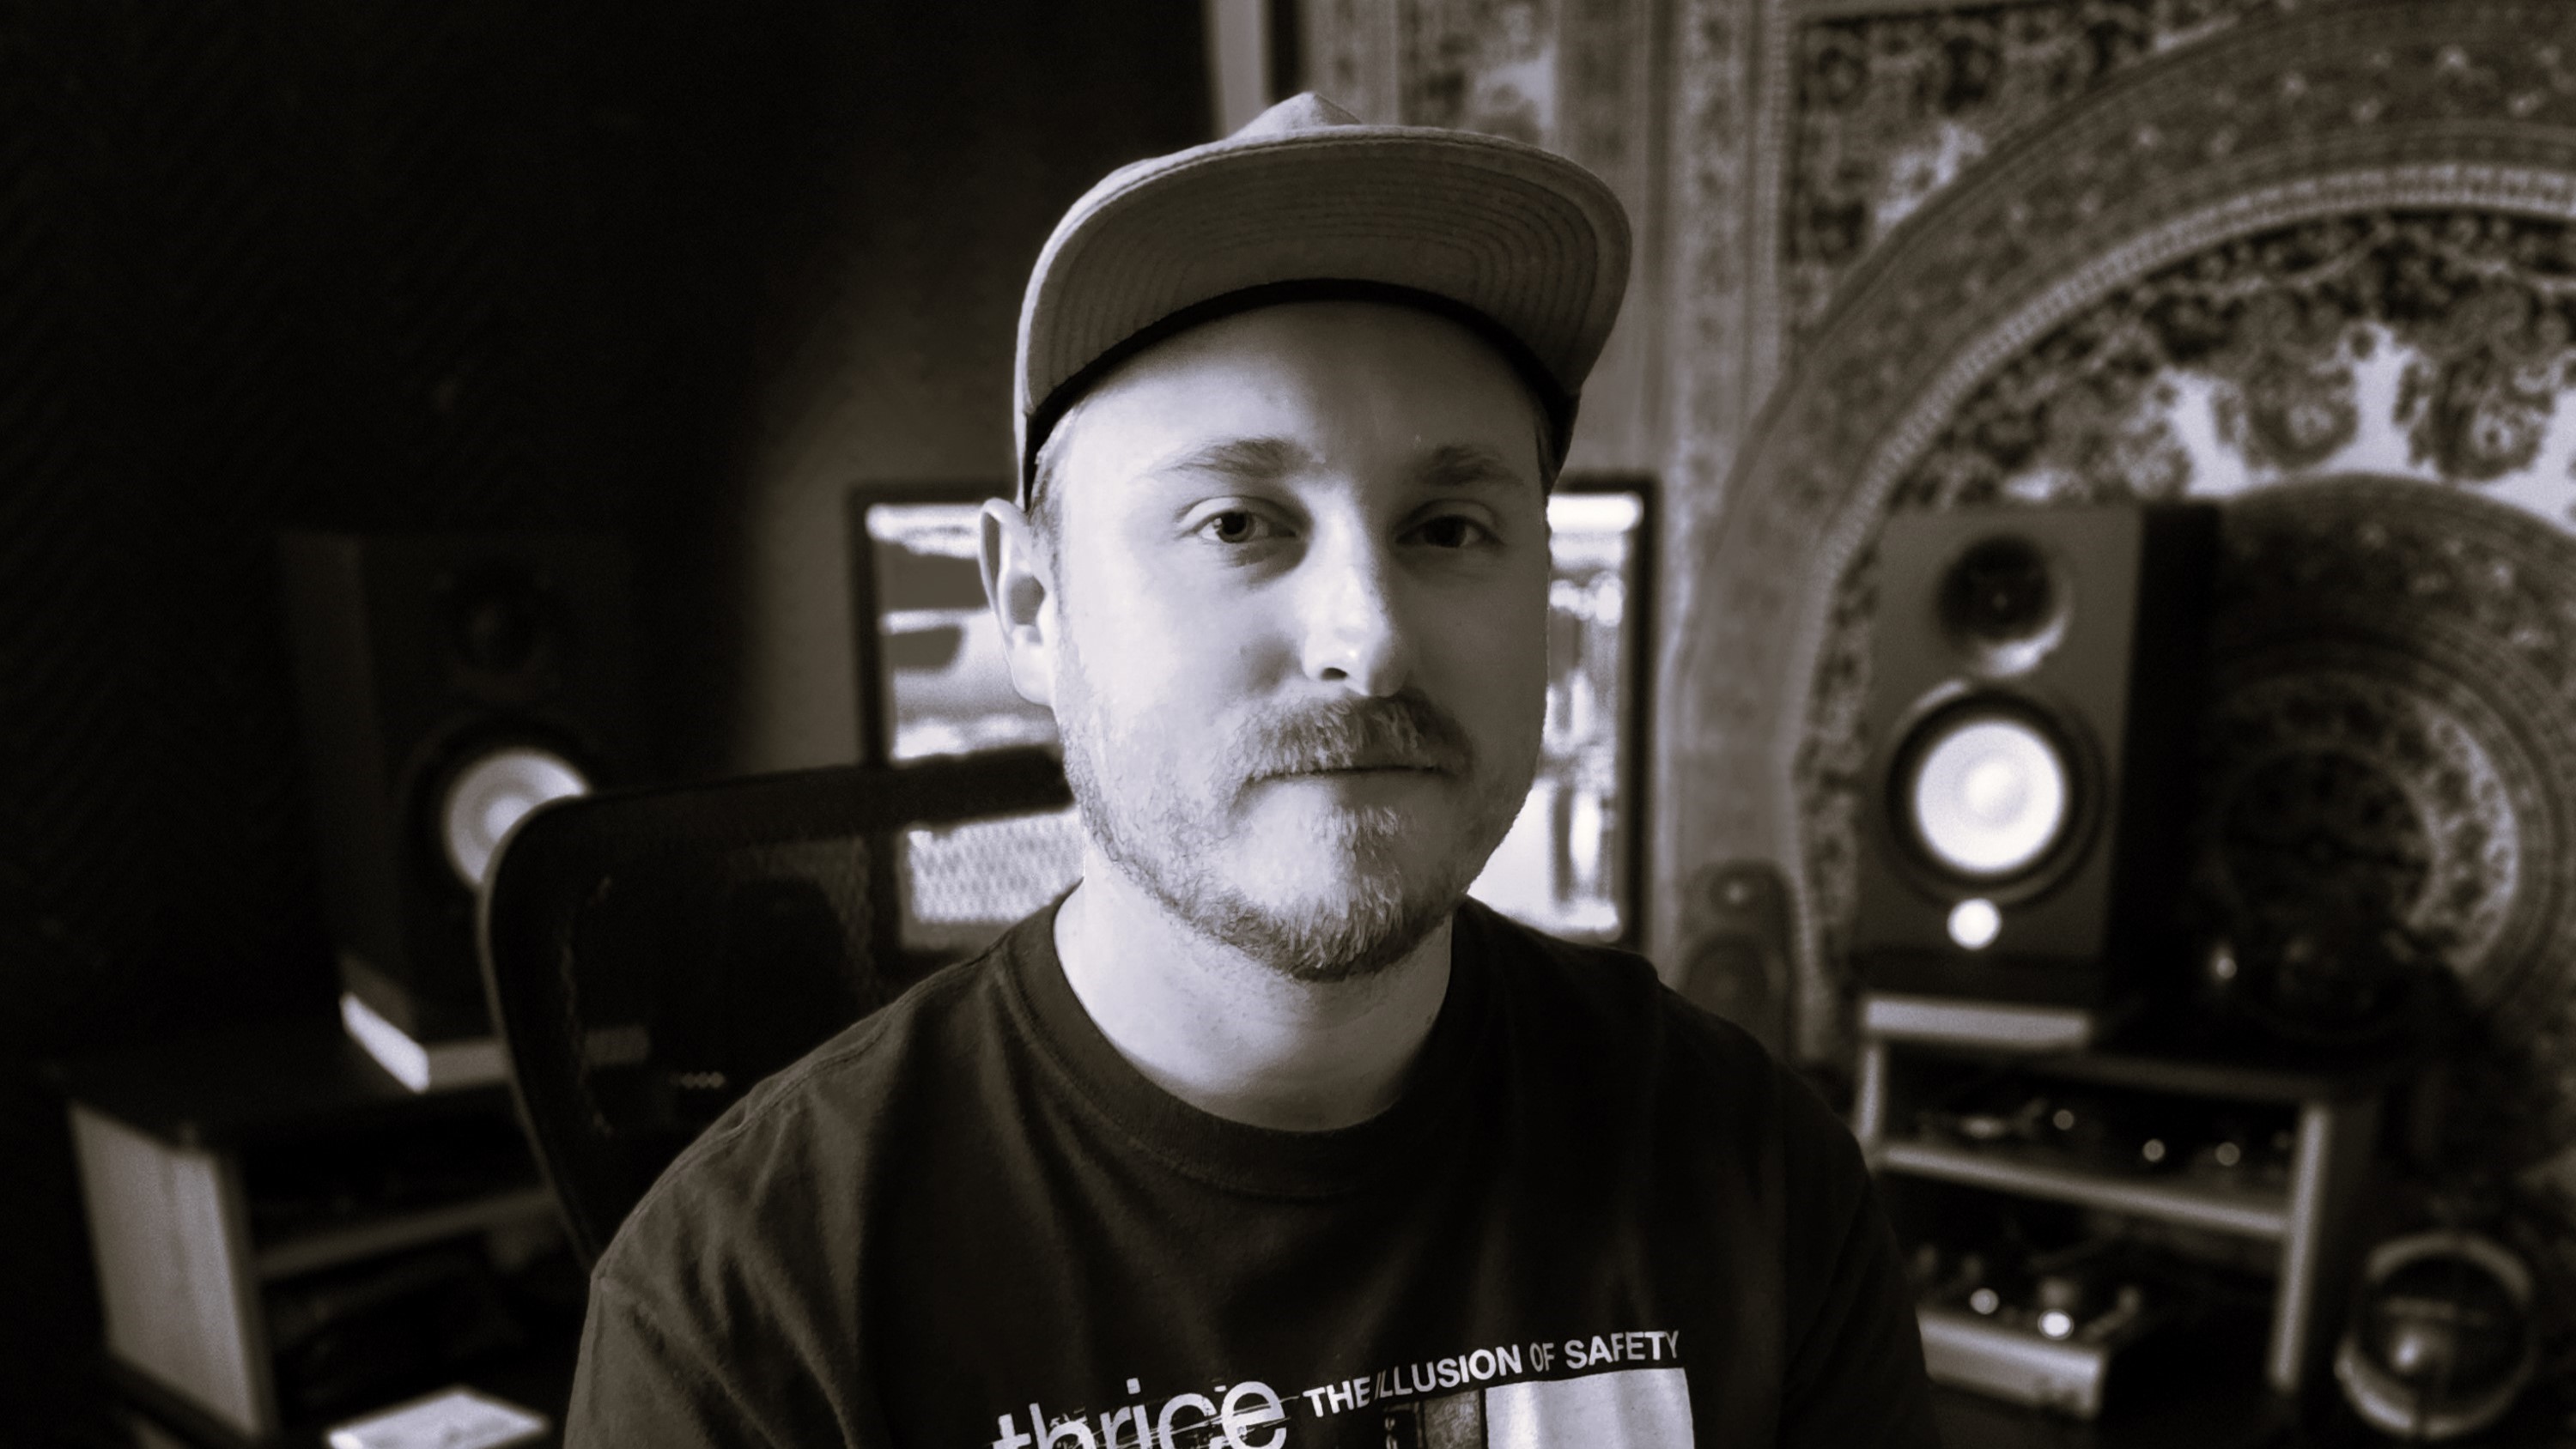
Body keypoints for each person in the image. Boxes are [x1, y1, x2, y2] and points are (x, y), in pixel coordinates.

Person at [566, 94, 1940, 1448]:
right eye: (1237, 522)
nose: (1371, 639)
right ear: (1033, 607)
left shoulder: (1760, 1177)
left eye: (1451, 527)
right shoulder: (744, 1316)